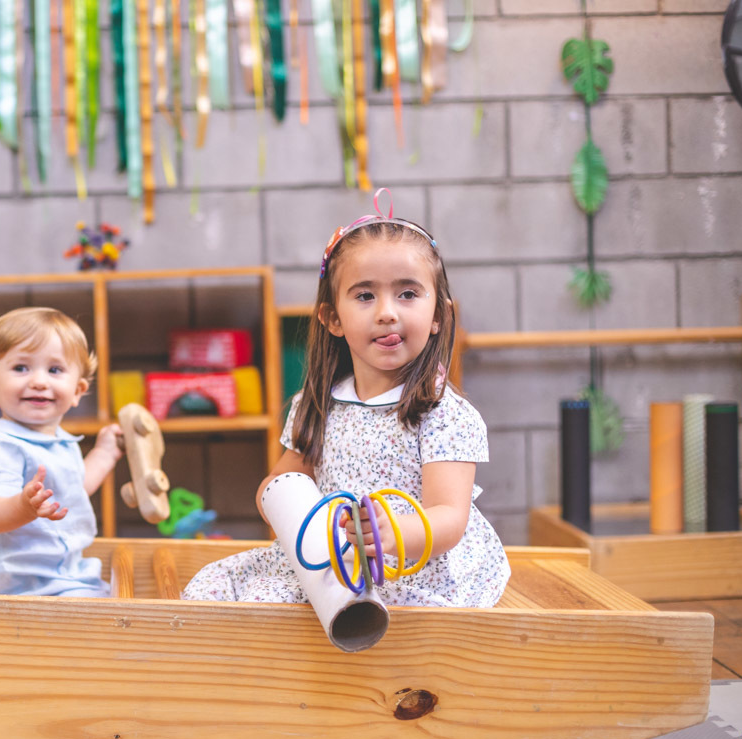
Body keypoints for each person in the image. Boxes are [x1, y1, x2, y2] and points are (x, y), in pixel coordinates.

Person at [183, 190, 509, 607]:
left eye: (408, 294)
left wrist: (393, 532)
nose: (387, 312)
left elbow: (449, 517)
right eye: (365, 295)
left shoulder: (444, 414)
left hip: (411, 569)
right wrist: (286, 507)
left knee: (359, 614)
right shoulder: (315, 404)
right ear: (333, 318)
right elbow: (283, 481)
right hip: (331, 559)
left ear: (438, 317)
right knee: (218, 588)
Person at [0, 307, 123, 597]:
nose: (39, 381)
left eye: (55, 370)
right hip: (15, 587)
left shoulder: (60, 442)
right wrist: (23, 507)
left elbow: (74, 487)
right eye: (21, 368)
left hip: (63, 575)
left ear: (77, 391)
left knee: (121, 601)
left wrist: (106, 453)